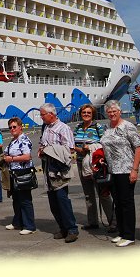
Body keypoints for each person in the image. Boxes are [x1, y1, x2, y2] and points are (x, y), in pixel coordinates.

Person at [100, 100, 140, 247]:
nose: (112, 113)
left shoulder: (127, 126)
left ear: (119, 111)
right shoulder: (107, 128)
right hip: (112, 170)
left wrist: (135, 169)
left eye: (114, 111)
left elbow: (138, 146)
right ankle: (122, 232)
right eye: (109, 111)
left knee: (126, 203)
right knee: (117, 203)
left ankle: (129, 235)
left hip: (126, 169)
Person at [38, 103, 79, 243]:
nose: (41, 117)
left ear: (51, 114)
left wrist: (49, 149)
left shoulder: (63, 128)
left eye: (43, 114)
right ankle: (62, 227)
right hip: (48, 167)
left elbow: (69, 149)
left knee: (62, 200)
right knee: (53, 202)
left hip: (59, 169)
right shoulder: (46, 128)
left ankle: (72, 229)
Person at [72, 104, 114, 232]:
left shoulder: (98, 127)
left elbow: (104, 143)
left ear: (93, 114)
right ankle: (92, 221)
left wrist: (90, 148)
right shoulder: (78, 127)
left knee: (103, 193)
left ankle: (113, 222)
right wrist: (81, 150)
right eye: (84, 112)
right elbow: (73, 144)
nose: (86, 114)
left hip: (96, 164)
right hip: (81, 163)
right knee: (88, 194)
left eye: (88, 113)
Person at [3, 117, 36, 235]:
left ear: (20, 127)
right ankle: (18, 221)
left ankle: (29, 225)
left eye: (14, 127)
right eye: (10, 127)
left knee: (25, 200)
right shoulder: (14, 140)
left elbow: (27, 156)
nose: (12, 129)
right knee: (16, 199)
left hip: (23, 173)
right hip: (14, 173)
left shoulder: (24, 140)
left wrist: (11, 159)